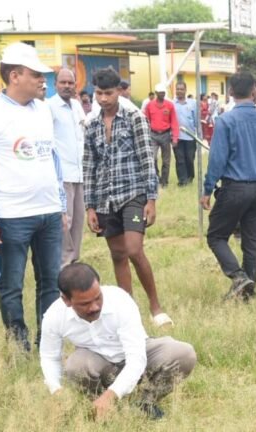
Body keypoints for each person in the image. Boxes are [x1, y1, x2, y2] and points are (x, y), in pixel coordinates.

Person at [0, 42, 66, 351]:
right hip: (11, 215)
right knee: (11, 285)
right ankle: (18, 342)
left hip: (49, 213)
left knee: (51, 282)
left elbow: (53, 158)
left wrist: (61, 205)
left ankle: (46, 342)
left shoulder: (44, 110)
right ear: (14, 76)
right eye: (36, 74)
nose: (43, 80)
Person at [40, 263, 196, 420]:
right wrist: (56, 390)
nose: (94, 307)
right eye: (85, 303)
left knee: (183, 353)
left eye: (98, 298)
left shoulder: (120, 300)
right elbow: (49, 357)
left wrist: (112, 394)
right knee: (76, 366)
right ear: (66, 300)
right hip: (98, 364)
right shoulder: (54, 316)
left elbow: (136, 358)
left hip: (137, 358)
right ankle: (99, 406)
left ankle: (145, 403)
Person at [84, 68, 173, 328]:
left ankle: (156, 307)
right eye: (98, 93)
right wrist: (90, 206)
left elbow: (147, 158)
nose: (102, 99)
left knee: (134, 249)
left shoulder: (134, 116)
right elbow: (89, 165)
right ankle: (129, 310)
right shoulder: (91, 123)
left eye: (108, 93)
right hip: (104, 198)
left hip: (133, 195)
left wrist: (151, 199)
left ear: (119, 92)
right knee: (117, 254)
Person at [200, 72, 256, 300]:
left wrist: (207, 189)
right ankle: (248, 294)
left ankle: (239, 277)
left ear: (231, 92)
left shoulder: (225, 121)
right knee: (252, 243)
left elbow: (217, 160)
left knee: (216, 236)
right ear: (254, 92)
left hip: (235, 188)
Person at [48, 68, 87, 267]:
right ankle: (63, 262)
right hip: (62, 174)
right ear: (55, 84)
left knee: (79, 220)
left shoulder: (77, 106)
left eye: (70, 83)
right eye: (62, 82)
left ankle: (73, 261)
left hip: (80, 173)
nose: (67, 86)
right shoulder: (49, 107)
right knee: (66, 221)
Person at [143, 83, 179, 188]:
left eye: (164, 93)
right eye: (160, 93)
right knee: (152, 157)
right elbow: (146, 120)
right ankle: (156, 177)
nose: (162, 95)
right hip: (153, 134)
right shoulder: (149, 105)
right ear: (156, 93)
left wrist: (175, 138)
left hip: (166, 135)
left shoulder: (170, 105)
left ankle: (164, 181)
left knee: (166, 160)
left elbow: (174, 122)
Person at [173, 81, 197, 187]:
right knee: (180, 159)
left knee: (190, 159)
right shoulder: (172, 104)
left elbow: (196, 119)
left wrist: (199, 135)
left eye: (181, 89)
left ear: (185, 90)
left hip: (190, 136)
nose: (179, 91)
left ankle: (190, 177)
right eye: (177, 89)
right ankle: (182, 180)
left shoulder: (192, 103)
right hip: (177, 137)